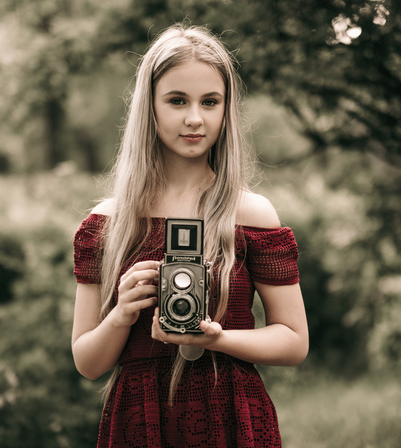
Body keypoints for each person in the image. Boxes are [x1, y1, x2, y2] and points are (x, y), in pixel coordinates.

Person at [71, 23, 309, 448]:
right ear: (151, 107)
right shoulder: (108, 223)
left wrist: (220, 338)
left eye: (210, 102)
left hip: (232, 414)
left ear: (226, 110)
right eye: (177, 100)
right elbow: (88, 362)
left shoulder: (250, 214)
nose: (195, 118)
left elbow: (293, 341)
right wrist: (122, 314)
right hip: (139, 421)